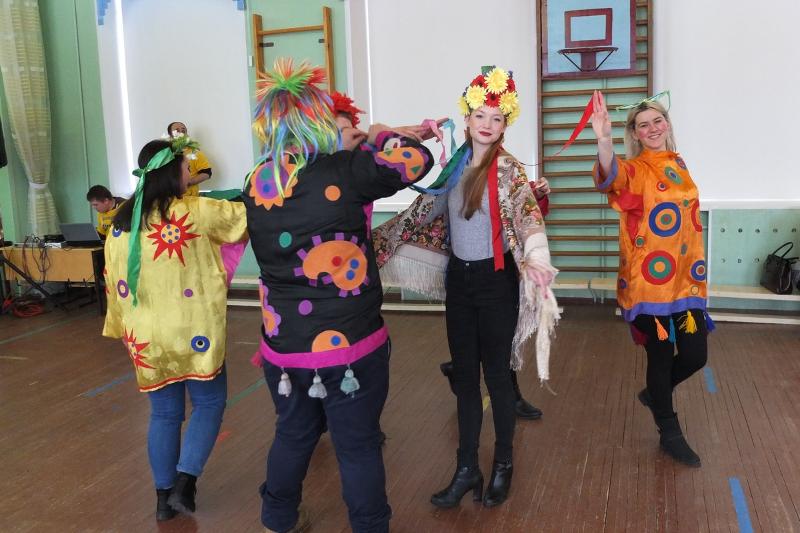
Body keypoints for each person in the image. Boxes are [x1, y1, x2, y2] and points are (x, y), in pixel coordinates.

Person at [244, 59, 437, 533]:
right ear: (317, 120)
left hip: (284, 349)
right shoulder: (346, 171)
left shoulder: (257, 181)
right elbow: (417, 160)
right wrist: (381, 133)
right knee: (357, 445)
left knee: (293, 434)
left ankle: (277, 519)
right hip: (350, 347)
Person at [373, 66, 559, 509]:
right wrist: (372, 243)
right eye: (480, 116)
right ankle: (466, 467)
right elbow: (421, 214)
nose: (487, 124)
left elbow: (527, 217)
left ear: (505, 124)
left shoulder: (510, 171)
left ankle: (504, 463)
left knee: (496, 377)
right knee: (464, 378)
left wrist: (537, 256)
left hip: (496, 284)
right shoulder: (454, 167)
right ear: (468, 118)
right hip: (460, 283)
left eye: (496, 118)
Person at [102, 136, 248, 521]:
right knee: (209, 403)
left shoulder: (119, 225)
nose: (190, 172)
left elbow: (113, 284)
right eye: (187, 166)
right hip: (194, 331)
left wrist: (121, 329)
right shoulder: (196, 212)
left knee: (164, 414)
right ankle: (186, 481)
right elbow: (248, 217)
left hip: (147, 337)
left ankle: (163, 500)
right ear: (172, 172)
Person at [591, 90, 710, 467]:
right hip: (649, 287)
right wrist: (604, 139)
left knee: (695, 355)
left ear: (667, 124)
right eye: (644, 125)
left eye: (658, 120)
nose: (653, 128)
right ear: (635, 134)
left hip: (686, 283)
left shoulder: (678, 162)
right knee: (659, 357)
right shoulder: (636, 170)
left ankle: (655, 394)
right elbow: (611, 175)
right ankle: (669, 431)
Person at [439, 176, 551, 420]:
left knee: (501, 338)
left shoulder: (506, 170)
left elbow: (520, 212)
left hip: (503, 270)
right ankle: (507, 396)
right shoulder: (459, 171)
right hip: (473, 272)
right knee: (491, 340)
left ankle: (506, 394)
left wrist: (537, 196)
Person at [166, 121, 213, 196]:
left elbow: (207, 173)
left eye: (183, 131)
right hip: (168, 197)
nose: (181, 133)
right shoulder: (164, 153)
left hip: (190, 197)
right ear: (170, 135)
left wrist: (189, 182)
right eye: (177, 131)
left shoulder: (195, 152)